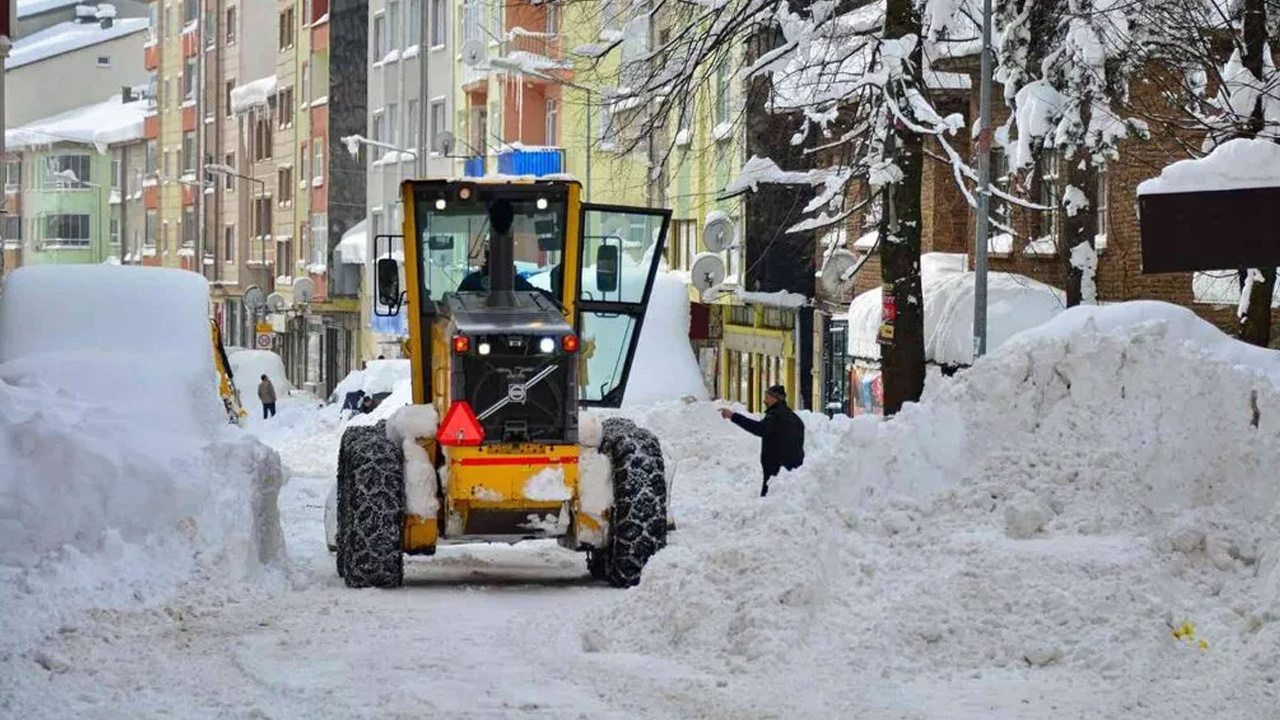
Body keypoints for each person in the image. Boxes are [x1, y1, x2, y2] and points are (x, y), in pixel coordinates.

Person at [719, 385, 805, 497]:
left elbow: (760, 429)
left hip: (776, 468)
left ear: (775, 398)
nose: (764, 401)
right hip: (792, 469)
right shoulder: (795, 419)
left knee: (771, 499)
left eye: (767, 397)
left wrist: (733, 416)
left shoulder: (775, 417)